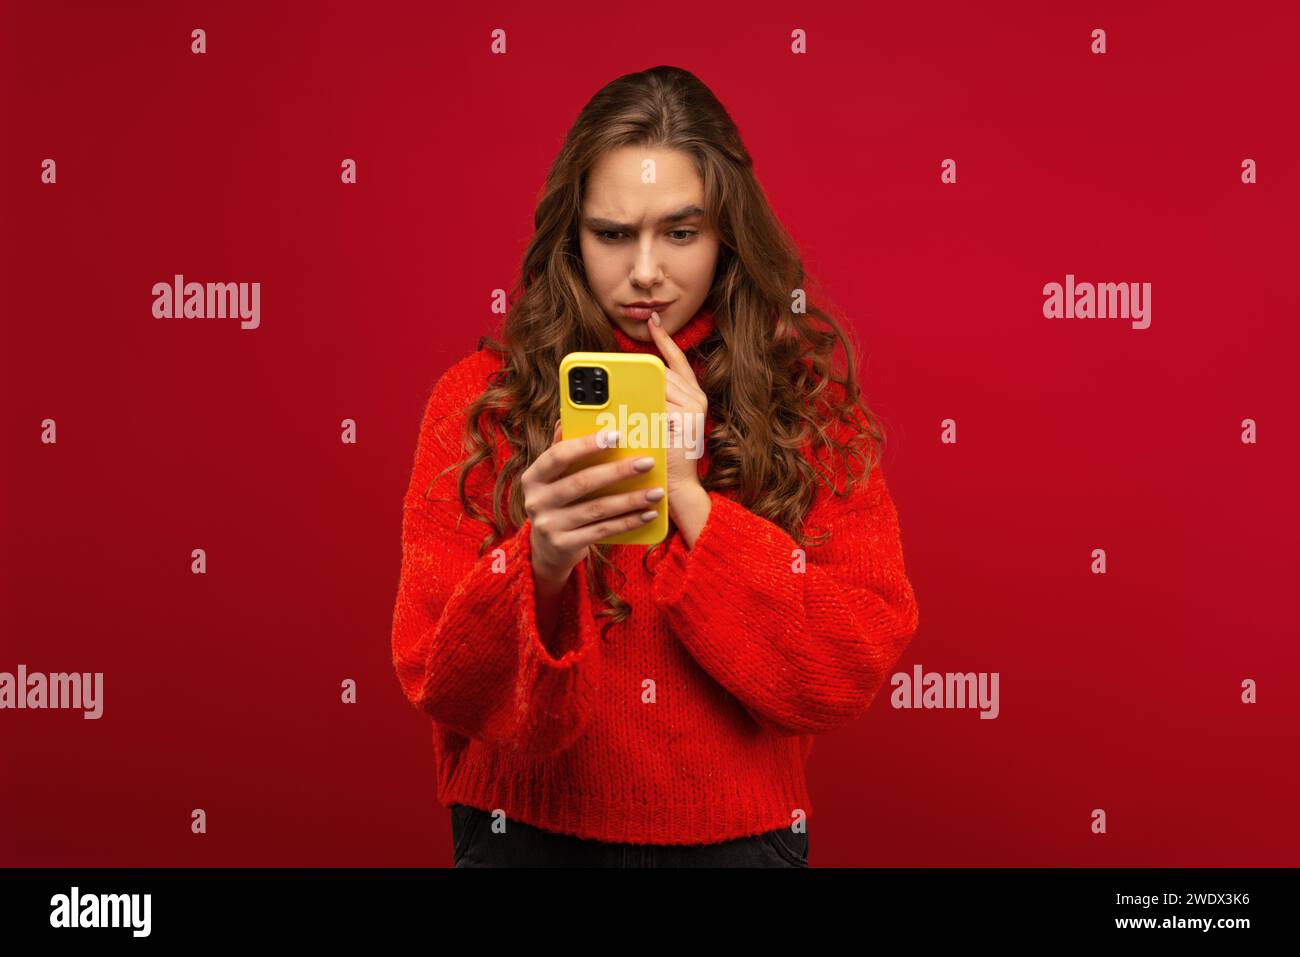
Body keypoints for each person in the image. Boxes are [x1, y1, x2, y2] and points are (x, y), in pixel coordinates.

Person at [389, 65, 919, 867]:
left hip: (740, 842)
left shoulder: (806, 407)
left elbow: (846, 665)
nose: (645, 271)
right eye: (612, 233)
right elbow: (438, 676)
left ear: (727, 234)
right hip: (523, 837)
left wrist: (687, 496)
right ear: (570, 236)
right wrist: (539, 563)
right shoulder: (480, 403)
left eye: (680, 232)